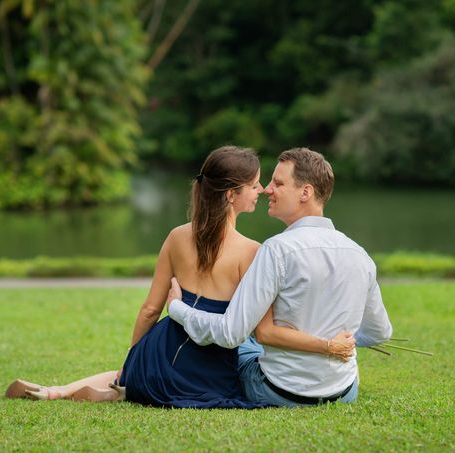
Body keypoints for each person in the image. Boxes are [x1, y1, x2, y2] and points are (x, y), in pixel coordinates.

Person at [5, 146, 355, 408]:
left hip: (163, 348)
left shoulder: (176, 236)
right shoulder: (252, 251)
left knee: (128, 374)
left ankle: (60, 390)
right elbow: (259, 330)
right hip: (211, 367)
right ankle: (111, 389)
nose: (262, 189)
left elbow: (148, 309)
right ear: (232, 194)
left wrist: (135, 360)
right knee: (247, 350)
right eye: (254, 184)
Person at [168, 147, 393, 407]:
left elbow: (230, 333)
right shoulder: (360, 255)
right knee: (253, 340)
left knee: (238, 349)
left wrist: (178, 309)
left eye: (278, 183)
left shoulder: (277, 249)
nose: (267, 190)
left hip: (279, 390)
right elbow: (380, 332)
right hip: (343, 393)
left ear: (305, 192)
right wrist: (331, 343)